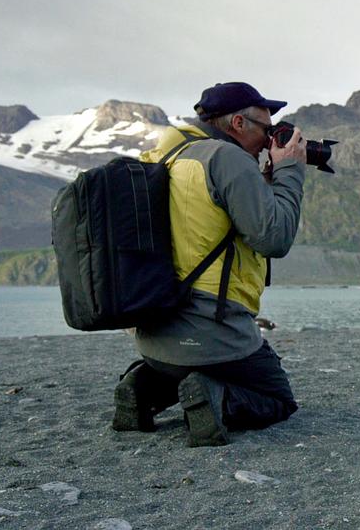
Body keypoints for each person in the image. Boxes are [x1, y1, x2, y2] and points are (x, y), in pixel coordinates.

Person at [111, 81, 307, 447]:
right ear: (237, 123)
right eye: (266, 130)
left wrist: (261, 185)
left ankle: (142, 388)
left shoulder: (168, 156)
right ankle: (217, 397)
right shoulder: (225, 158)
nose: (269, 141)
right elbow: (274, 239)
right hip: (212, 336)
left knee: (185, 365)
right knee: (277, 397)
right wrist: (290, 172)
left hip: (153, 338)